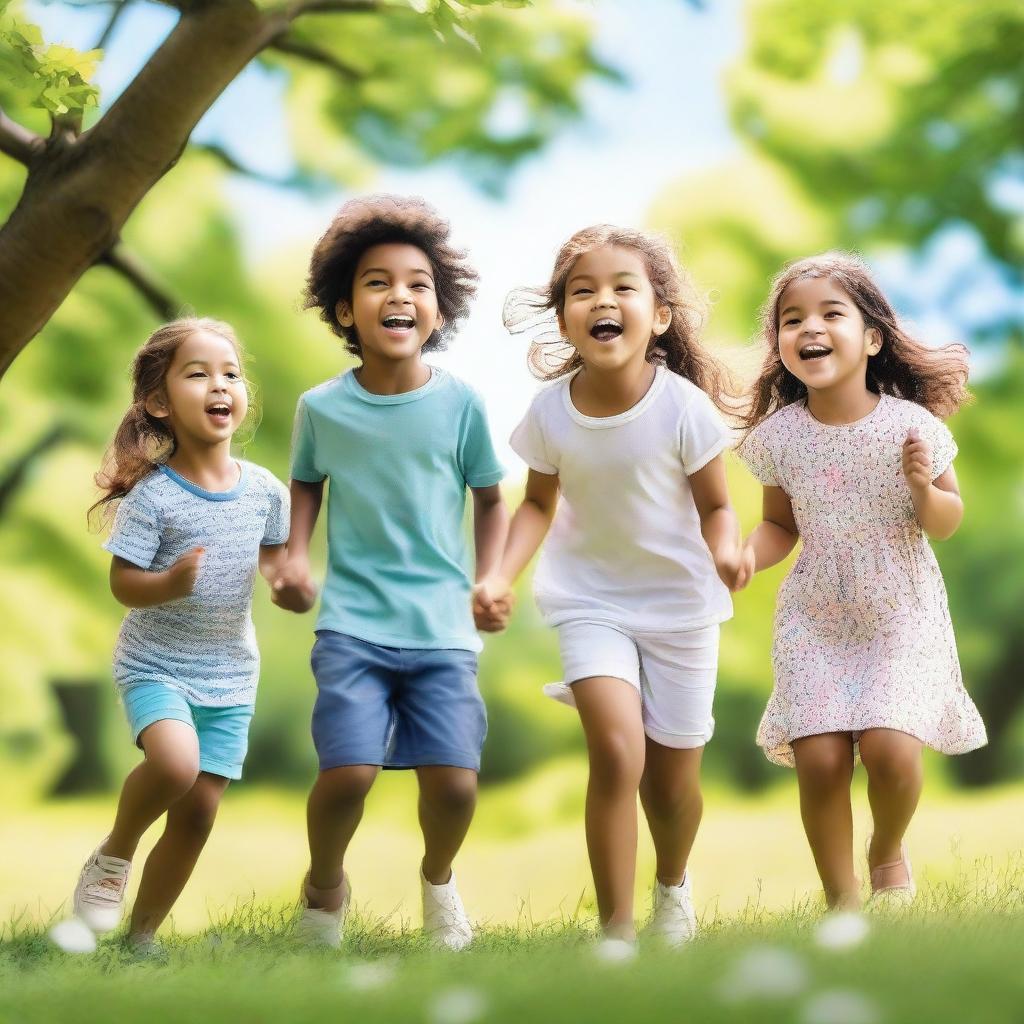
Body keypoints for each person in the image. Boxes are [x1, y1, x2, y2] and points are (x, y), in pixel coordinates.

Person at [475, 225, 743, 956]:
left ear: (658, 315)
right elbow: (535, 506)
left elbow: (718, 506)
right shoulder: (551, 412)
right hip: (589, 600)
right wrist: (498, 574)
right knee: (618, 754)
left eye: (624, 287)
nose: (603, 300)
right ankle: (616, 934)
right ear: (564, 317)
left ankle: (673, 886)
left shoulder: (683, 406)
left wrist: (727, 550)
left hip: (683, 606)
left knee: (671, 782)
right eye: (583, 290)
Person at [272, 195, 509, 951]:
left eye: (417, 284)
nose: (398, 295)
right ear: (345, 309)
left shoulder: (462, 404)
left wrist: (492, 577)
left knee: (455, 783)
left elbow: (492, 498)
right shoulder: (322, 408)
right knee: (346, 775)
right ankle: (324, 887)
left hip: (442, 627)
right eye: (377, 282)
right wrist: (295, 557)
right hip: (351, 624)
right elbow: (305, 484)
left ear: (438, 311)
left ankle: (438, 882)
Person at [733, 251, 987, 910]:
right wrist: (742, 558)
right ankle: (842, 905)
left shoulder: (912, 427)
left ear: (872, 337)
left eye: (829, 314)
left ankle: (886, 851)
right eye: (792, 320)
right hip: (815, 616)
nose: (809, 328)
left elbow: (947, 520)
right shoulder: (780, 438)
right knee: (818, 762)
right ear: (780, 344)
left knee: (891, 751)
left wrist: (920, 486)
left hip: (900, 613)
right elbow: (779, 528)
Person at [68, 317, 289, 952]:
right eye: (198, 374)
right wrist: (166, 584)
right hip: (155, 663)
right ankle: (115, 852)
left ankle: (141, 938)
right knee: (174, 766)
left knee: (198, 811)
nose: (220, 385)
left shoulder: (264, 492)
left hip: (230, 671)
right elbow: (124, 582)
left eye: (231, 373)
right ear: (159, 402)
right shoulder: (153, 497)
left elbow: (276, 560)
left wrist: (289, 583)